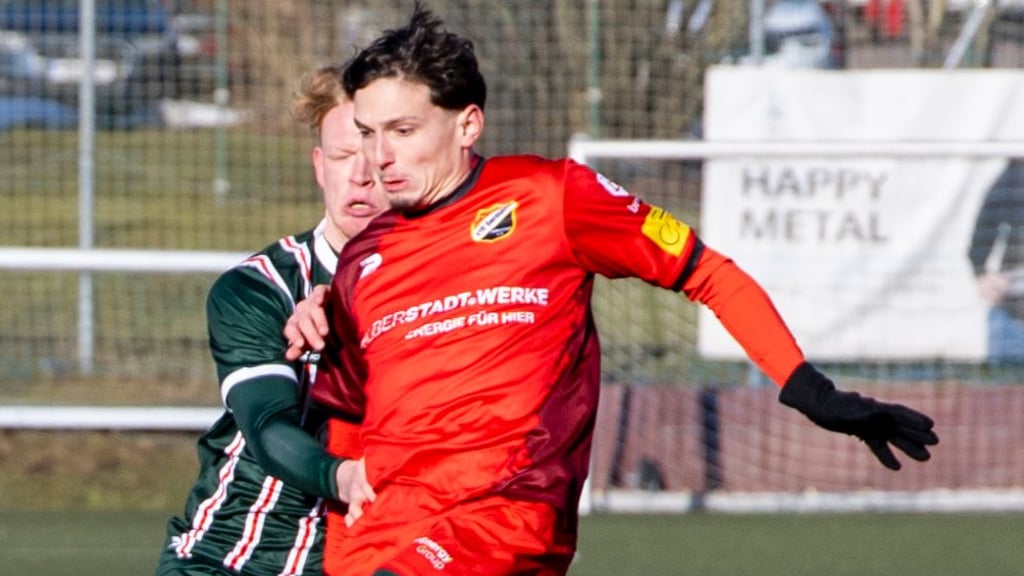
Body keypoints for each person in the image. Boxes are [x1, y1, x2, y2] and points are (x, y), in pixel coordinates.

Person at [284, 5, 939, 575]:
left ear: (467, 125)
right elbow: (347, 417)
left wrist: (807, 388)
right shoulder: (363, 258)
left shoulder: (551, 197)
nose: (379, 158)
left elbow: (708, 273)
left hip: (504, 517)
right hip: (385, 534)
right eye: (367, 135)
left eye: (402, 131)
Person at [156, 63, 388, 576]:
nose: (359, 175)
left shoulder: (448, 286)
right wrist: (344, 477)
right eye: (342, 155)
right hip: (233, 558)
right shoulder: (260, 288)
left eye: (372, 154)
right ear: (318, 165)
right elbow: (266, 427)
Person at [968, 159, 1024, 363]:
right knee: (1003, 389)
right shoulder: (1016, 172)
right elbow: (986, 223)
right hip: (1014, 311)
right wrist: (981, 272)